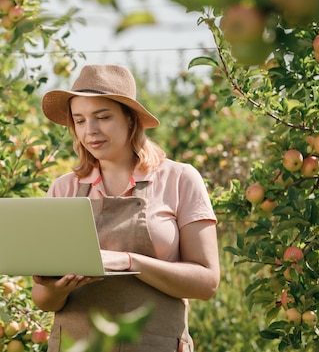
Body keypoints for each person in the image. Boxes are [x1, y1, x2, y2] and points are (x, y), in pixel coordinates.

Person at [31, 64, 220, 352]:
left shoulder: (179, 179)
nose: (90, 131)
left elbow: (206, 283)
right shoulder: (64, 189)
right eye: (79, 121)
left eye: (103, 117)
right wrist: (57, 288)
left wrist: (130, 262)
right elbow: (43, 299)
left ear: (131, 120)